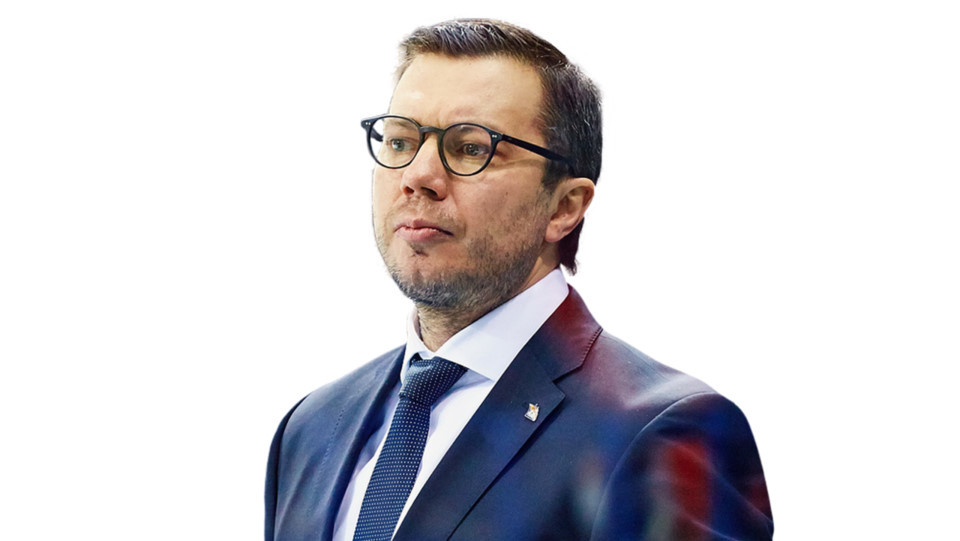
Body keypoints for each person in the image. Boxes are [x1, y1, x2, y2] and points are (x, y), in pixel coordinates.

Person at [265, 18, 773, 541]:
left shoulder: (661, 435)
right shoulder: (310, 429)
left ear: (564, 206)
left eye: (471, 148)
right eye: (399, 140)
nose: (418, 176)